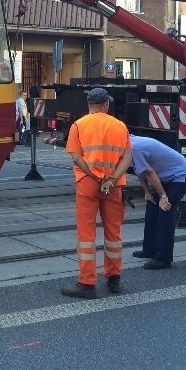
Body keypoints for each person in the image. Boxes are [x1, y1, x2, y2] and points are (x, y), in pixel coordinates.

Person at [61, 87, 131, 299]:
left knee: (86, 234)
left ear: (89, 104)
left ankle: (87, 283)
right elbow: (126, 159)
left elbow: (76, 158)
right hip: (114, 184)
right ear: (106, 105)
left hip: (88, 184)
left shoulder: (78, 125)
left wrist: (98, 178)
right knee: (113, 233)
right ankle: (114, 278)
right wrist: (110, 179)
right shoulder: (120, 126)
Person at [128, 134, 186, 270]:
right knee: (151, 207)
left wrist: (163, 196)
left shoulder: (134, 147)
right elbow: (139, 171)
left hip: (180, 175)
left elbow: (149, 172)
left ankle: (164, 258)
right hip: (165, 177)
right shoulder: (128, 144)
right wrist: (146, 191)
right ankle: (150, 249)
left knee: (166, 210)